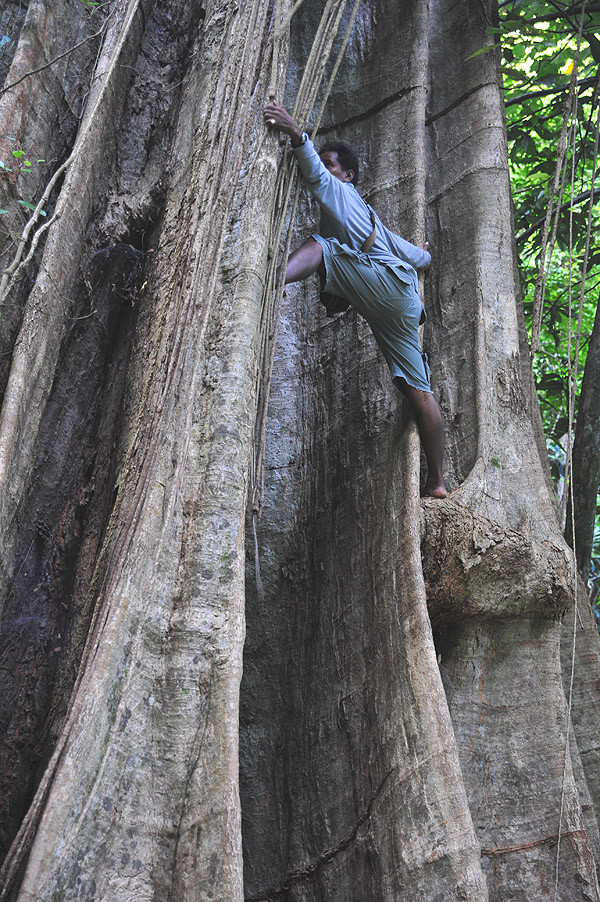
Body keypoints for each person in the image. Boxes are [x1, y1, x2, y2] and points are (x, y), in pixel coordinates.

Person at [263, 101, 447, 498]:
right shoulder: (368, 218)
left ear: (348, 176)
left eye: (333, 165)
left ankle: (269, 282)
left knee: (321, 246)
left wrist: (297, 134)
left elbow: (314, 175)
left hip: (390, 289)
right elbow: (411, 253)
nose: (326, 170)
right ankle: (437, 481)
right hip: (401, 302)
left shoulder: (342, 193)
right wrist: (427, 257)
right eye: (325, 163)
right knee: (419, 391)